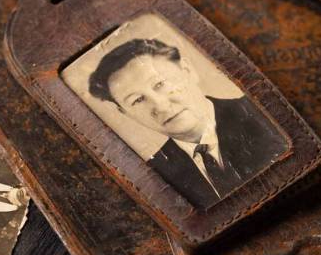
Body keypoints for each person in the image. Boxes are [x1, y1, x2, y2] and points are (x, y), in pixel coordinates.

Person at [88, 39, 286, 208]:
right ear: (125, 113)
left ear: (188, 71)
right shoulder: (156, 175)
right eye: (137, 100)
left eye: (160, 84)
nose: (161, 106)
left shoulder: (263, 112)